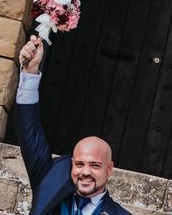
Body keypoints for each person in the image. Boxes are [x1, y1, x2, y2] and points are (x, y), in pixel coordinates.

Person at [16, 35, 133, 215]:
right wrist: (30, 72)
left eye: (95, 165)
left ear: (109, 169)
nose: (85, 172)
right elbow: (29, 131)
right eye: (79, 164)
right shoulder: (49, 181)